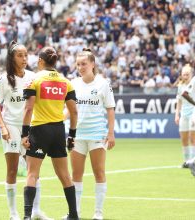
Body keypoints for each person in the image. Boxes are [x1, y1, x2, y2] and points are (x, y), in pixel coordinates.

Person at [0, 41, 51, 220]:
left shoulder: (33, 77)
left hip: (31, 128)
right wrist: (2, 126)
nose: (24, 58)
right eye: (20, 55)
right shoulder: (3, 79)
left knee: (34, 171)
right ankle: (13, 213)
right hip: (10, 127)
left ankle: (36, 211)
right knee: (12, 171)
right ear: (12, 58)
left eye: (26, 55)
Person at [22, 46, 79, 220]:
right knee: (64, 175)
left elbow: (29, 108)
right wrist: (72, 136)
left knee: (32, 174)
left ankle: (26, 216)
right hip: (58, 131)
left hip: (39, 130)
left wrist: (24, 134)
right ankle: (74, 214)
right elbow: (74, 112)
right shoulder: (65, 81)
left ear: (40, 61)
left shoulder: (34, 80)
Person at [66, 49, 115, 220]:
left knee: (99, 173)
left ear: (92, 64)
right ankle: (75, 212)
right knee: (76, 175)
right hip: (77, 135)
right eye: (78, 64)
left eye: (84, 64)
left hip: (97, 134)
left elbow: (110, 109)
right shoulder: (73, 83)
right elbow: (69, 110)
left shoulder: (103, 84)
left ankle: (98, 213)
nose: (80, 67)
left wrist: (111, 133)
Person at [175, 64, 195, 168]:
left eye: (187, 74)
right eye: (184, 74)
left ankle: (193, 161)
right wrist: (176, 115)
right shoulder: (180, 86)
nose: (185, 76)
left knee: (192, 137)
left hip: (193, 113)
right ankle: (186, 161)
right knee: (184, 138)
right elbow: (179, 102)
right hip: (184, 114)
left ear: (191, 74)